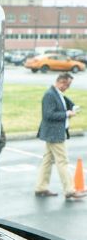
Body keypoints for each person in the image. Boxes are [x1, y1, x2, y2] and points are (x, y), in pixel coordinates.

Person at [34, 72, 85, 201]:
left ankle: (41, 188)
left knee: (47, 161)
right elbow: (48, 115)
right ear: (61, 82)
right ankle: (69, 190)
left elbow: (66, 102)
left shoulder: (57, 93)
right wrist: (66, 114)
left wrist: (73, 107)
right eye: (67, 85)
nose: (67, 87)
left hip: (54, 133)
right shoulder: (50, 95)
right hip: (54, 134)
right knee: (62, 161)